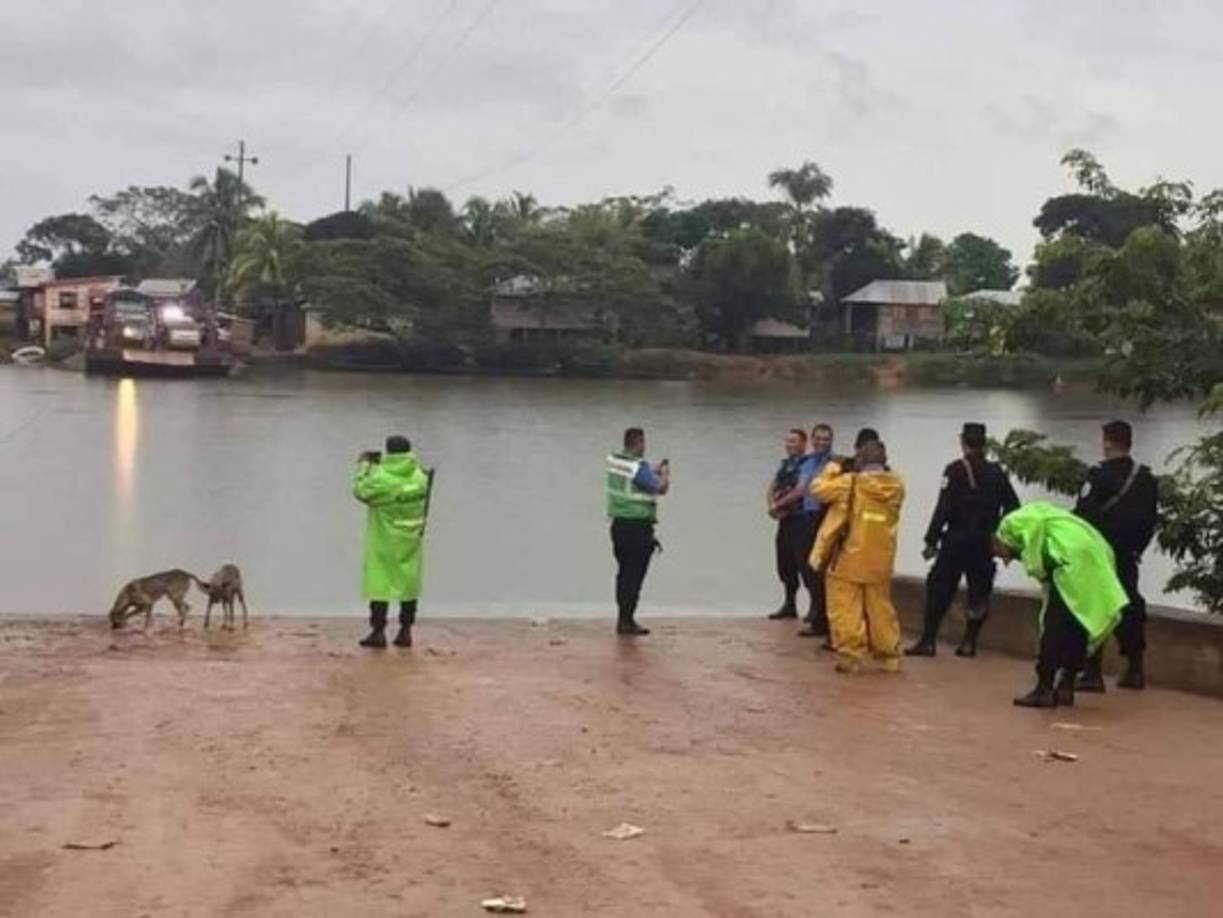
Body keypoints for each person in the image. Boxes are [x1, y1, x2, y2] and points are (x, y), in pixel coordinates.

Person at [993, 502, 1128, 708]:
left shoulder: (1009, 524)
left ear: (996, 542)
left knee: (1053, 626)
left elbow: (1034, 527)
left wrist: (1034, 565)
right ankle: (1066, 684)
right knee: (1078, 623)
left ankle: (1044, 687)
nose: (1006, 560)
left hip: (1070, 561)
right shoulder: (1052, 519)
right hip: (1093, 557)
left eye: (1000, 554)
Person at [906, 422, 1020, 658]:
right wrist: (999, 532)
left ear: (963, 442)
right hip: (984, 542)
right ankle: (969, 642)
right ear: (984, 444)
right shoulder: (997, 473)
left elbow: (943, 507)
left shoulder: (955, 470)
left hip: (956, 540)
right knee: (979, 592)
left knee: (939, 588)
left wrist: (931, 540)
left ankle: (928, 641)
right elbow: (1013, 507)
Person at [1073, 420, 1159, 692]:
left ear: (1108, 442)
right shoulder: (1145, 477)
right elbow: (1150, 520)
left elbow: (1083, 515)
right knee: (1129, 607)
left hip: (1100, 553)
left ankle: (1092, 672)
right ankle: (1135, 669)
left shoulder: (1098, 475)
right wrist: (1137, 549)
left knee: (1095, 608)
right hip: (1128, 554)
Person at [809, 439, 906, 673]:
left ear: (860, 460)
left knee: (845, 608)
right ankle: (889, 656)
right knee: (881, 609)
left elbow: (817, 489)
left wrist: (834, 467)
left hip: (848, 556)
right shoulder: (897, 485)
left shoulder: (849, 483)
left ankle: (851, 655)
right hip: (881, 556)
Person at [353, 435, 432, 649]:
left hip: (385, 539)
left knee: (380, 584)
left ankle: (378, 631)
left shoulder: (383, 479)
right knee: (408, 584)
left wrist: (364, 466)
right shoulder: (420, 477)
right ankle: (405, 630)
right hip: (411, 536)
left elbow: (360, 491)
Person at [606, 427, 670, 636]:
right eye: (643, 442)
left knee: (624, 573)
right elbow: (660, 488)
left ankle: (622, 618)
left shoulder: (616, 461)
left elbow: (637, 475)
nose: (645, 446)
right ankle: (627, 621)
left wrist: (651, 470)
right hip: (637, 529)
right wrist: (665, 475)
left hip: (618, 526)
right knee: (635, 575)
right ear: (639, 443)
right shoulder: (637, 467)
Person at [765, 428, 822, 622]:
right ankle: (790, 603)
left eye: (794, 441)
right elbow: (773, 485)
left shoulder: (808, 464)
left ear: (804, 443)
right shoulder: (785, 464)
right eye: (788, 441)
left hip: (802, 519)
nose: (790, 445)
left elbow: (801, 490)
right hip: (785, 519)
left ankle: (815, 607)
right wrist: (771, 505)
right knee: (785, 562)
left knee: (805, 564)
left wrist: (778, 504)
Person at [796, 423, 835, 639]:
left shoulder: (836, 464)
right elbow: (801, 490)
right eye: (818, 439)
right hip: (806, 516)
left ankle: (823, 619)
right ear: (812, 440)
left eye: (826, 439)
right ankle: (816, 609)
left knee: (822, 569)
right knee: (807, 566)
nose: (822, 442)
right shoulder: (807, 462)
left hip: (825, 518)